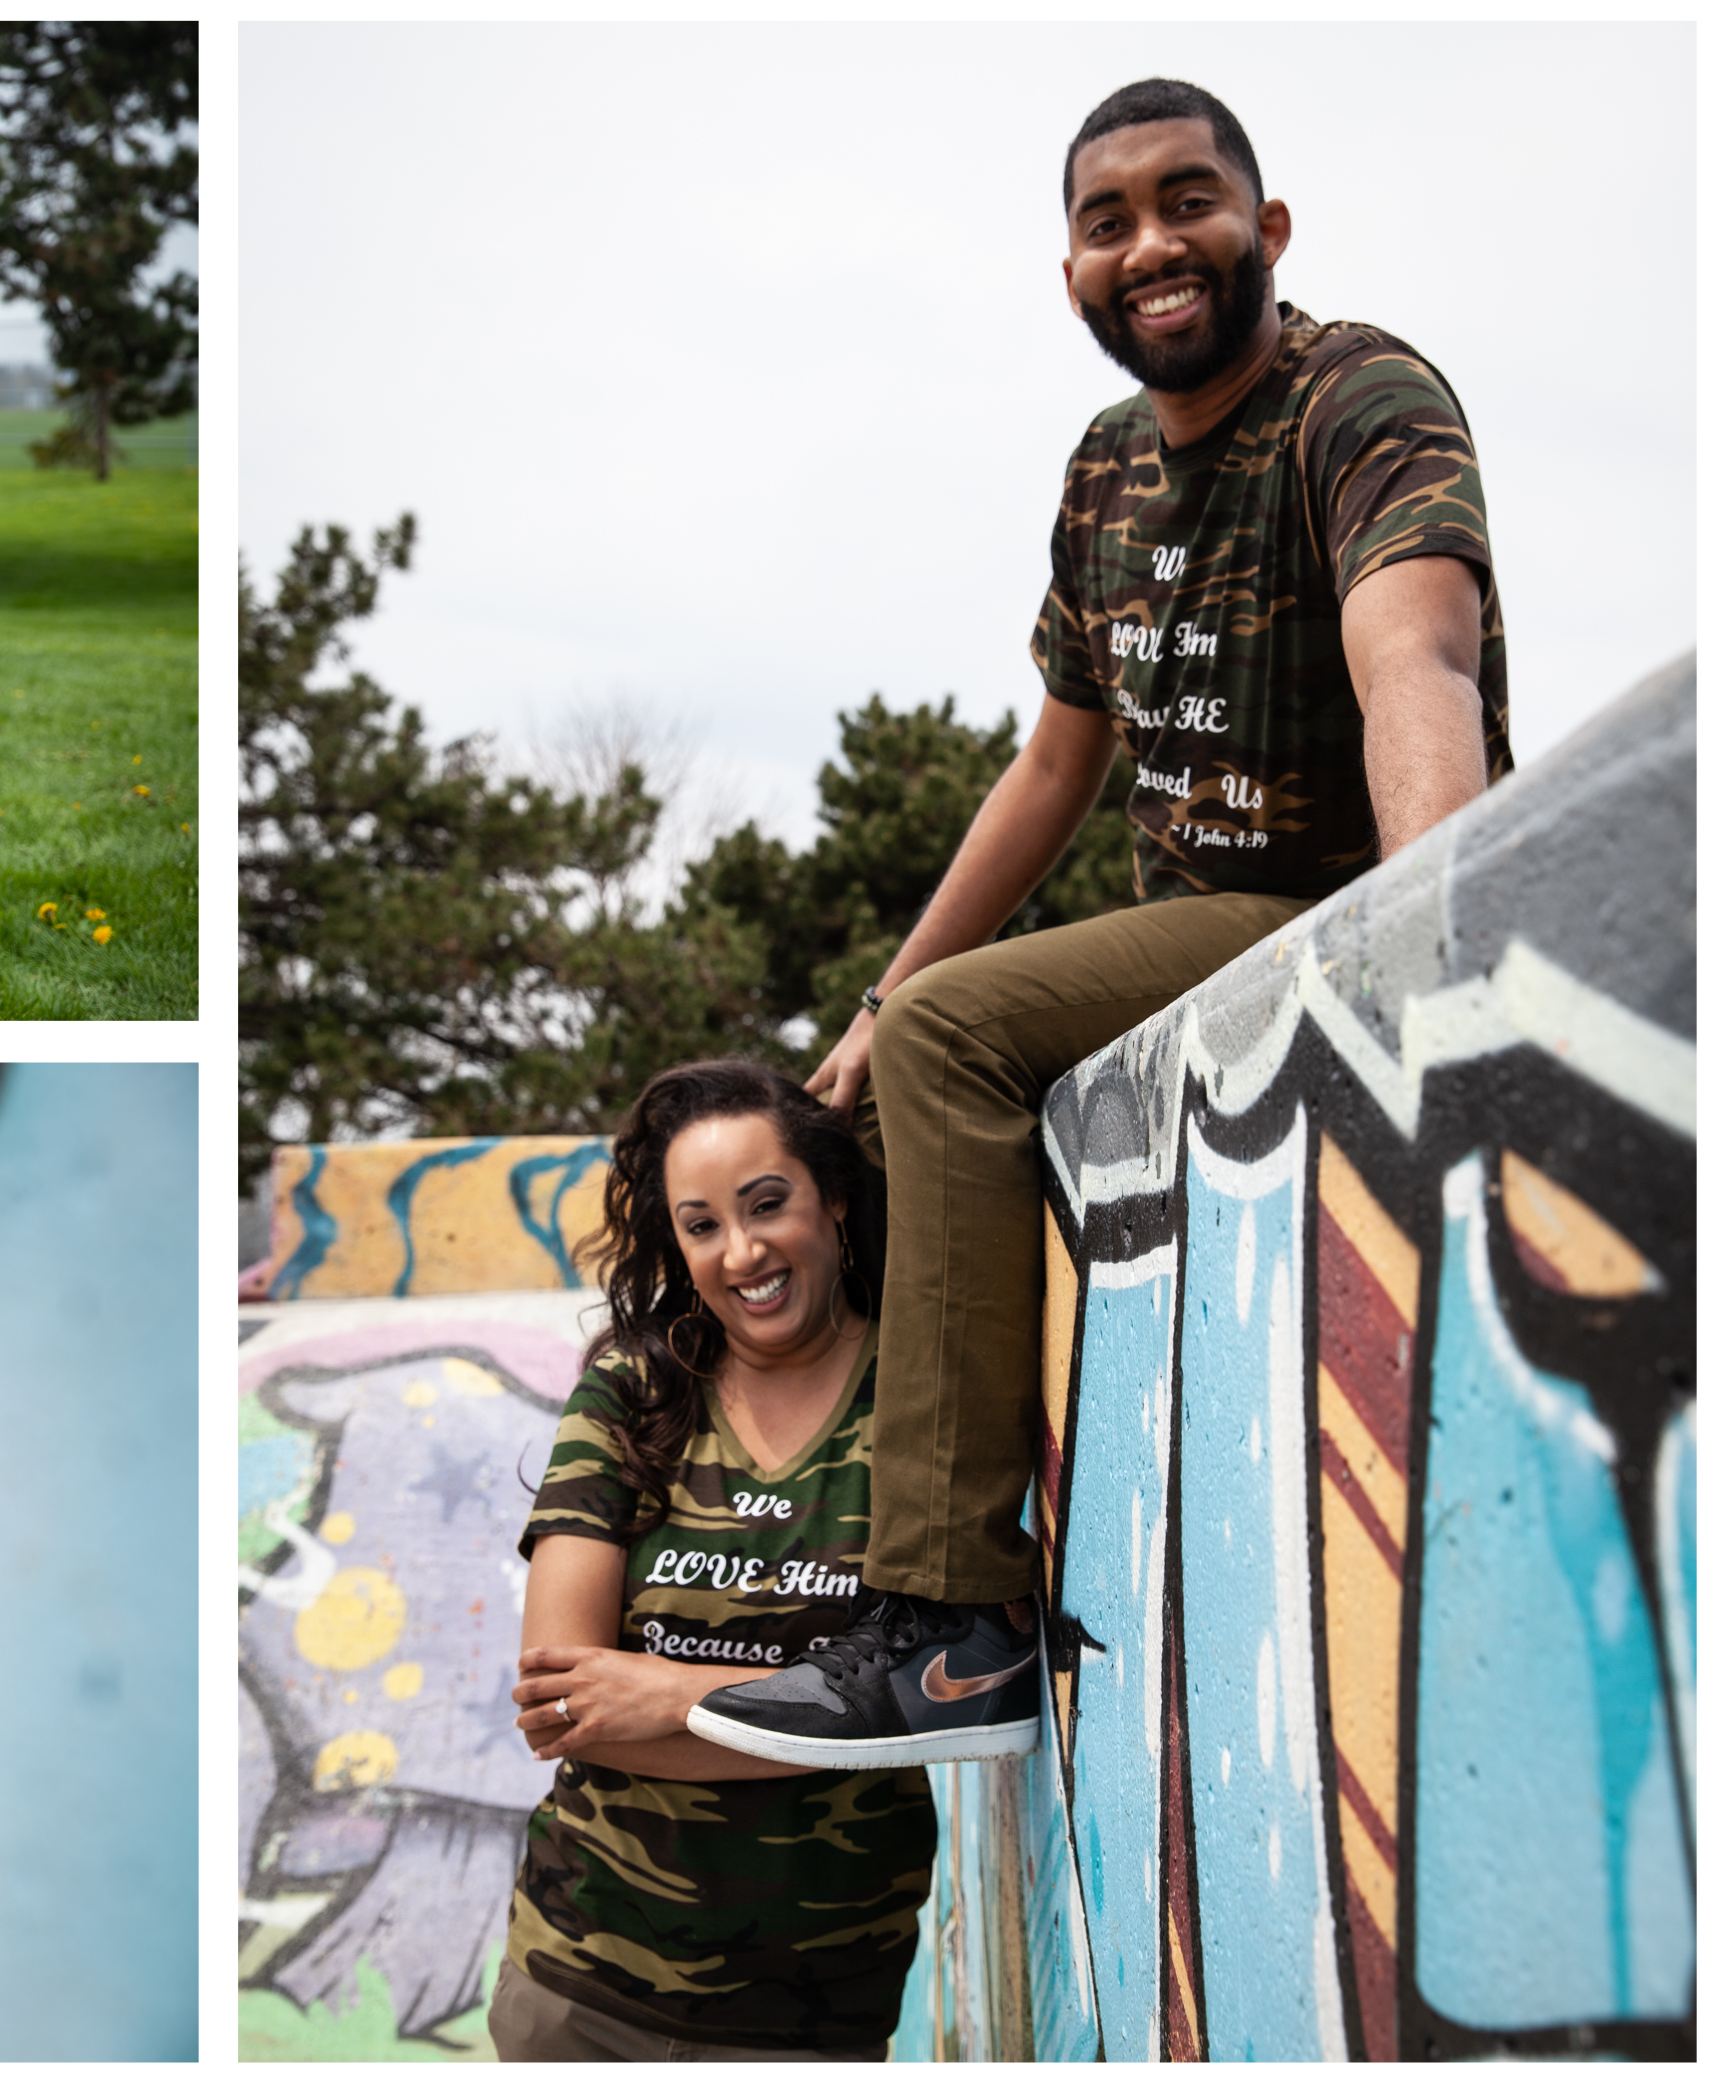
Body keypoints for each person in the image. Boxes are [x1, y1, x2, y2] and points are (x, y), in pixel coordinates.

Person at [687, 77, 1503, 1770]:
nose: (1150, 245)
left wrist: (1426, 924)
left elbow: (1411, 655)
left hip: (1330, 909)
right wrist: (878, 994)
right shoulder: (1103, 471)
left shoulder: (1356, 395)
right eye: (1105, 220)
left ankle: (945, 1621)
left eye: (1186, 202)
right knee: (919, 1048)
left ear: (1264, 230)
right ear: (1068, 268)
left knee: (952, 1038)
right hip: (1195, 934)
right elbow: (1056, 759)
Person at [494, 1059, 930, 2061]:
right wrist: (823, 1705)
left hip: (816, 2009)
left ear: (830, 1201)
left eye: (765, 1204)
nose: (740, 1251)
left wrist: (666, 1693)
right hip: (582, 1985)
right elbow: (560, 1706)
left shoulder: (914, 1395)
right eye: (699, 1224)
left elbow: (935, 1694)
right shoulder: (633, 1390)